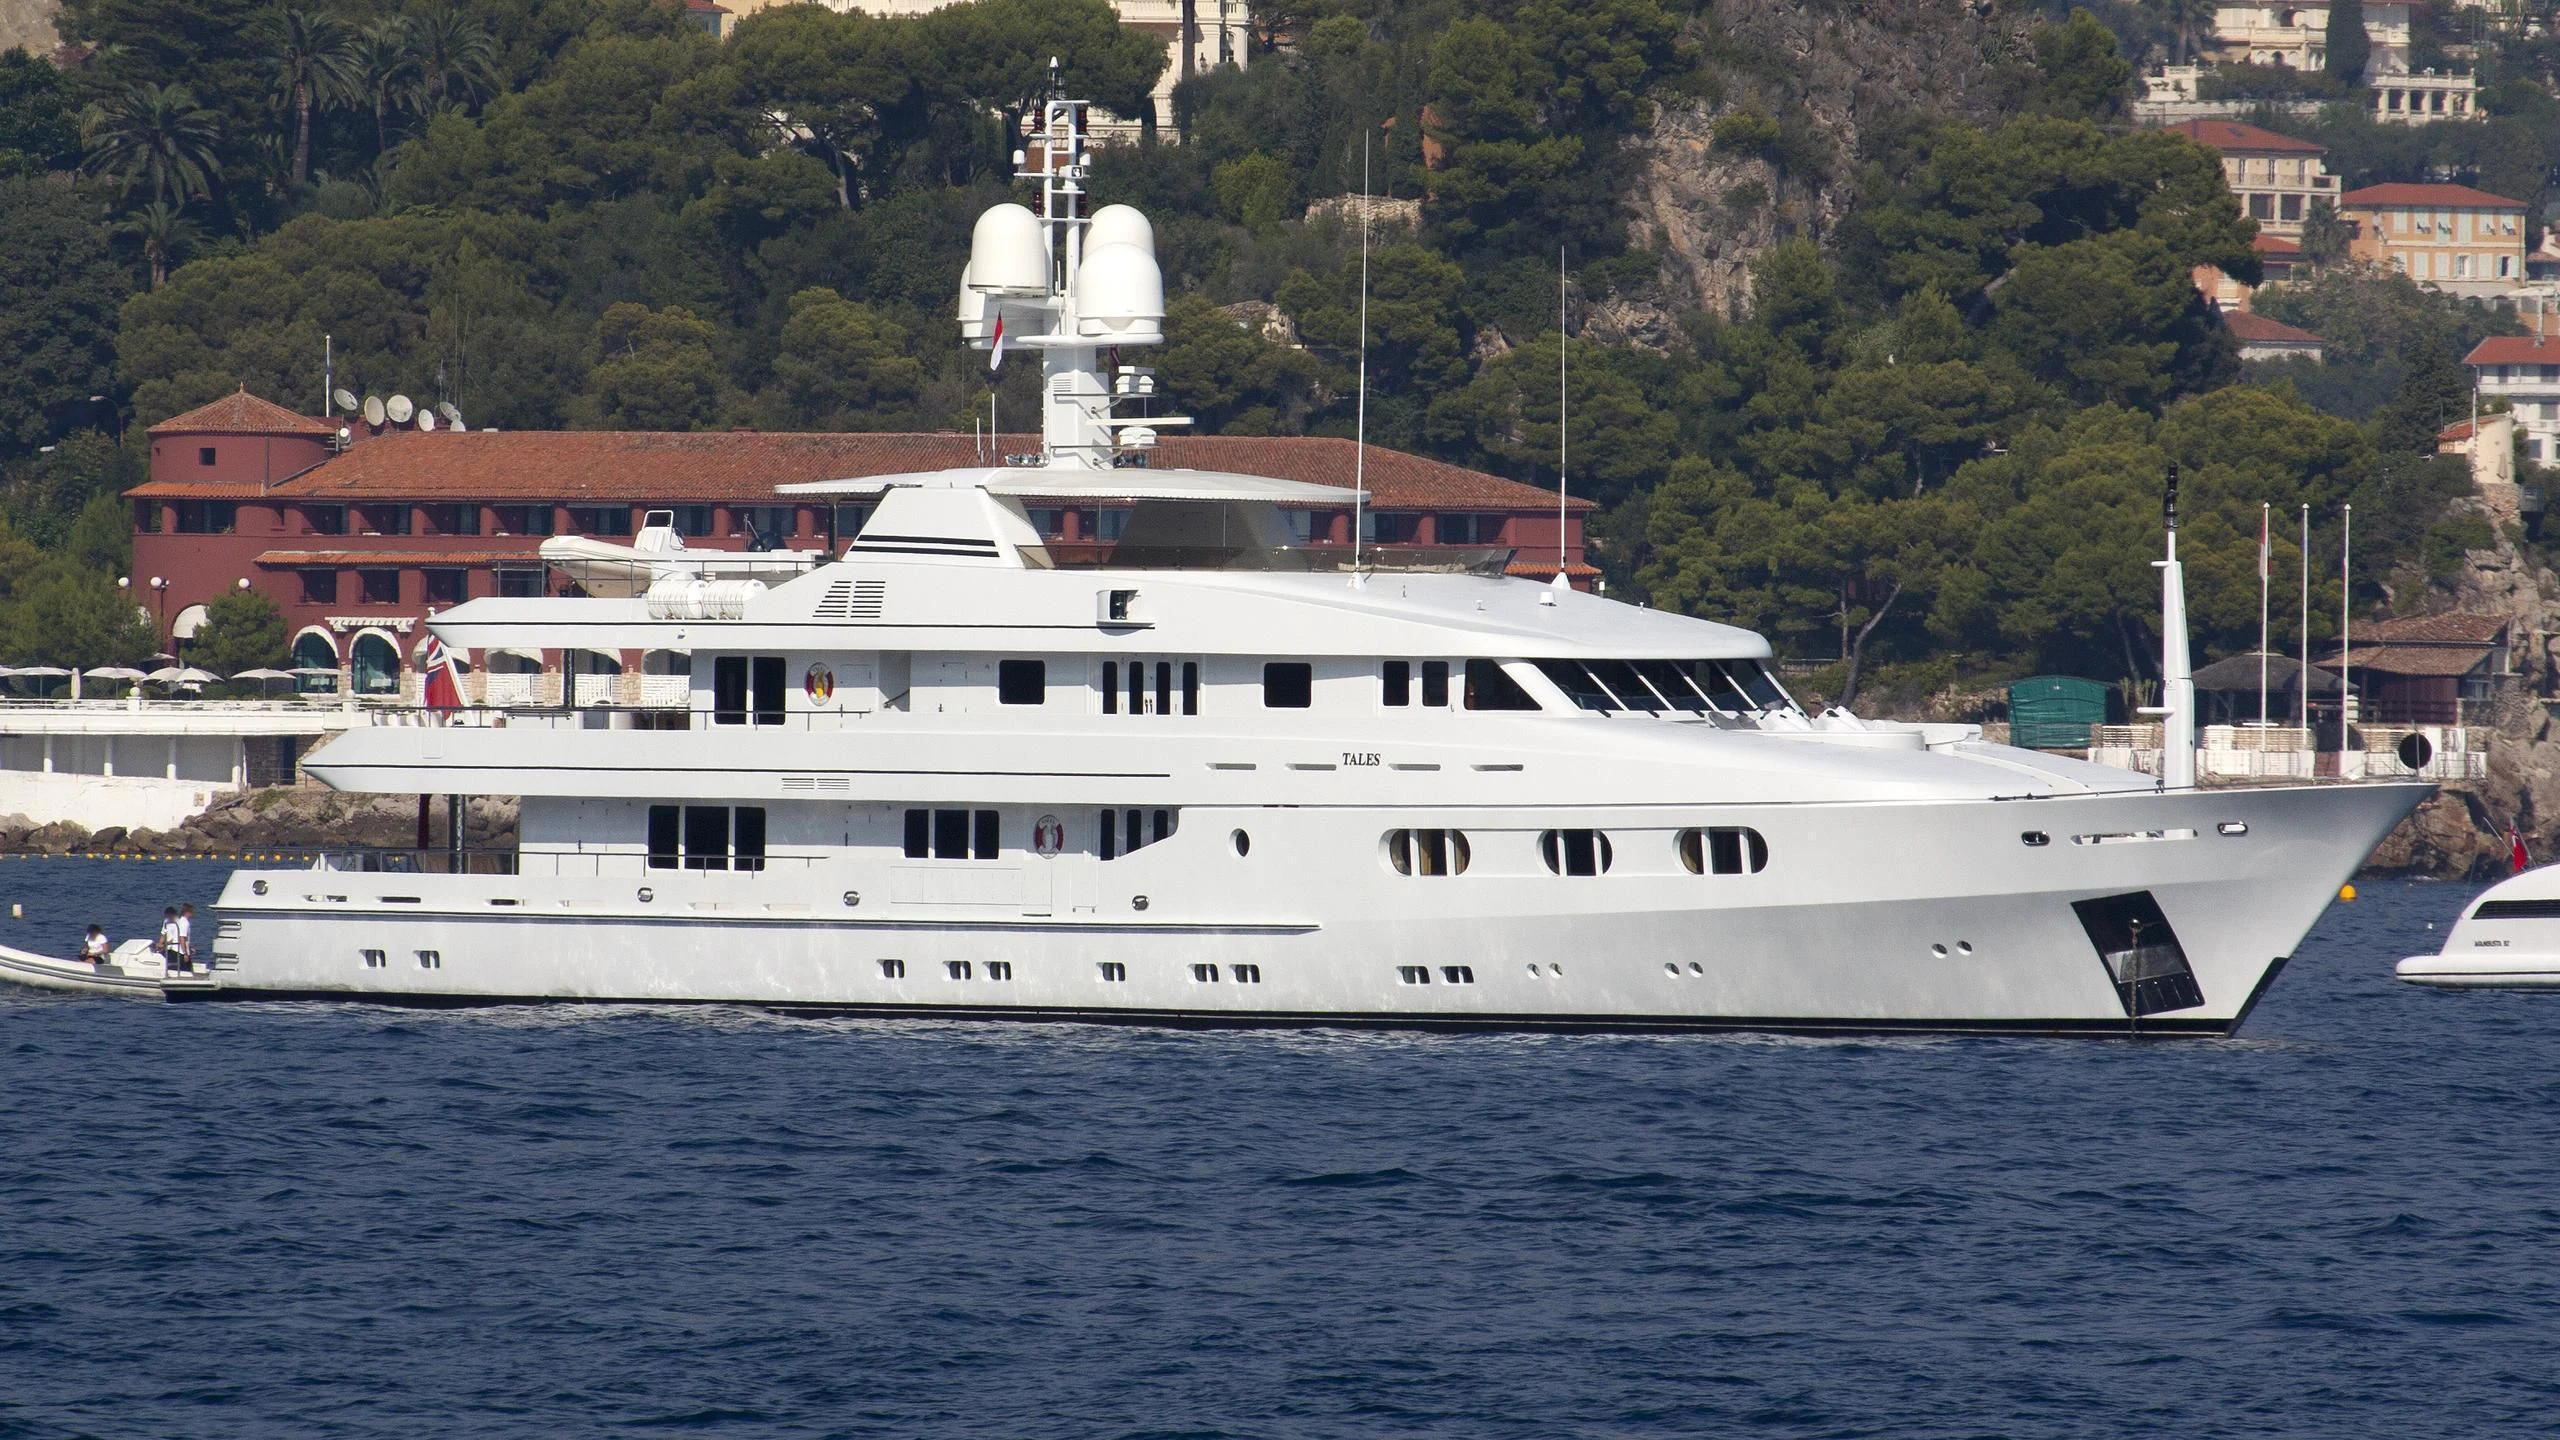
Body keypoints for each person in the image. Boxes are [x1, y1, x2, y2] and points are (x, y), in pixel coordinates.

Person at [175, 903, 196, 973]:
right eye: (192, 912)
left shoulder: (179, 921)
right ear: (187, 912)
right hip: (182, 952)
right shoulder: (185, 923)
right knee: (187, 972)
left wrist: (190, 947)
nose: (193, 914)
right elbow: (181, 938)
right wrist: (185, 953)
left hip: (179, 950)